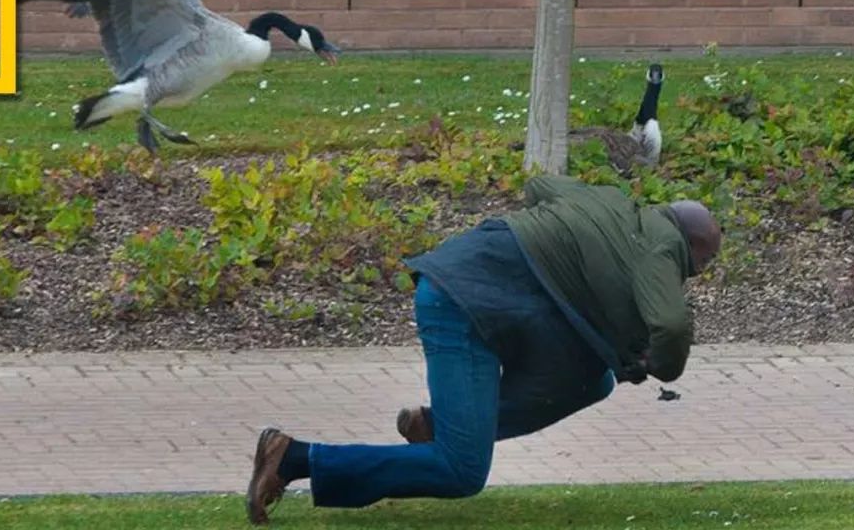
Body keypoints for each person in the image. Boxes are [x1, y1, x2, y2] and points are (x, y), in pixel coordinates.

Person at [244, 174, 723, 525]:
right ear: (692, 250)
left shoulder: (606, 201)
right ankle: (295, 457)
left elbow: (540, 186)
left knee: (592, 380)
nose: (695, 273)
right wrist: (660, 366)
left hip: (475, 289)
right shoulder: (661, 251)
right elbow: (672, 324)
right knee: (461, 470)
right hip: (464, 306)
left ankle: (436, 425)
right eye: (702, 263)